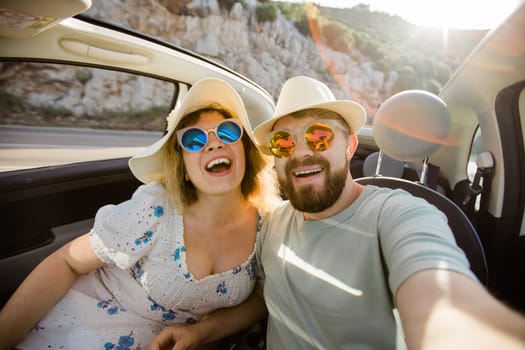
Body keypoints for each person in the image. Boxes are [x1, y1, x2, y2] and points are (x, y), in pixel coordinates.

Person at [149, 76, 525, 350]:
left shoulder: (399, 214)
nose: (301, 152)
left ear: (349, 146)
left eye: (319, 136)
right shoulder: (270, 222)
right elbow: (264, 297)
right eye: (283, 142)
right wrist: (201, 333)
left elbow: (435, 289)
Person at [0, 77, 280, 349]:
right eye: (193, 140)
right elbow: (67, 261)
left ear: (245, 148)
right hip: (80, 331)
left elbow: (259, 297)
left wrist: (199, 333)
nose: (214, 143)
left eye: (228, 131)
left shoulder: (267, 224)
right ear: (182, 167)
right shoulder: (154, 210)